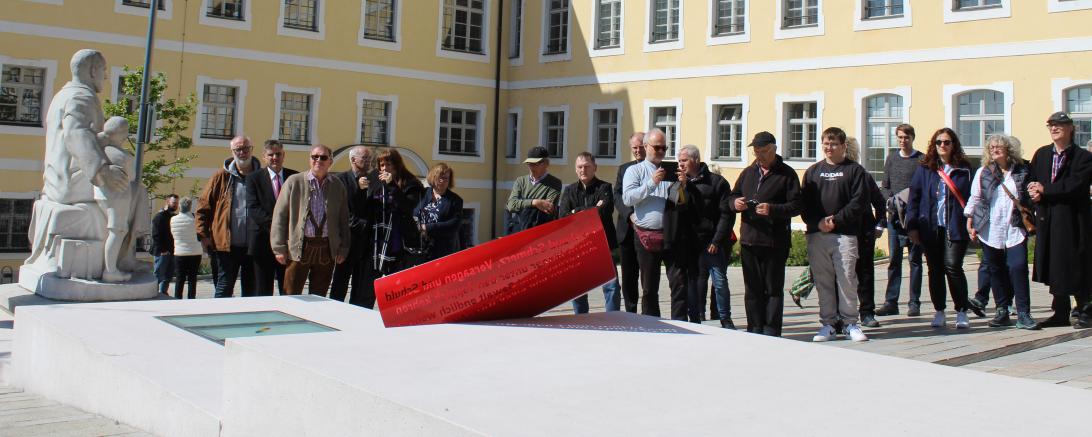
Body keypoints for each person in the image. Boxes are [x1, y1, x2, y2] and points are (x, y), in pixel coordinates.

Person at [729, 132, 801, 337]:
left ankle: (771, 329)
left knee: (772, 289)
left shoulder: (787, 174)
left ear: (774, 149)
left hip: (774, 241)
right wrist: (735, 203)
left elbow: (797, 206)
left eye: (763, 151)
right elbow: (732, 196)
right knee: (752, 289)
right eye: (756, 151)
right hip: (750, 239)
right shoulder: (748, 172)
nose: (759, 156)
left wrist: (773, 210)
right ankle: (754, 327)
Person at [802, 127, 870, 342]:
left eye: (833, 144)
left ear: (842, 146)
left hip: (845, 235)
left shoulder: (855, 171)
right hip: (818, 235)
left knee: (847, 280)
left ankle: (850, 323)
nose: (829, 148)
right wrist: (818, 222)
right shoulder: (813, 171)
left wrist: (836, 220)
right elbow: (805, 204)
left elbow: (858, 202)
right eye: (825, 143)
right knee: (823, 281)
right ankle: (828, 324)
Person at [964, 134, 1039, 330]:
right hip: (991, 228)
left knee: (1018, 266)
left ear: (1008, 149)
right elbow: (975, 197)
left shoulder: (1023, 170)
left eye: (998, 147)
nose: (994, 150)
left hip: (1014, 226)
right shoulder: (983, 172)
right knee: (995, 270)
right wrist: (970, 221)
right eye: (991, 147)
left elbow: (1029, 196)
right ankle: (1002, 310)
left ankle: (1023, 313)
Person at [622, 128, 698, 320]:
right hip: (645, 235)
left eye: (664, 148)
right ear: (646, 146)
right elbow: (627, 198)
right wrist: (651, 183)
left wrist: (682, 186)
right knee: (649, 286)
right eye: (657, 147)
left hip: (671, 234)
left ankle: (680, 322)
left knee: (679, 281)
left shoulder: (670, 170)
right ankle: (651, 323)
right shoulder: (635, 170)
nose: (661, 151)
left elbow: (678, 202)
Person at [1027, 112, 1092, 329]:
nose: (1054, 128)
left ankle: (1085, 309)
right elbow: (1031, 179)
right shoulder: (1043, 154)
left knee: (1075, 264)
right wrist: (1034, 192)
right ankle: (1060, 311)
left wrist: (1046, 190)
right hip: (1048, 218)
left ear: (1070, 128)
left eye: (1059, 125)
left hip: (1072, 219)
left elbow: (1076, 184)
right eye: (1051, 125)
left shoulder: (1083, 157)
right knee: (1054, 265)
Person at [906, 128, 974, 329]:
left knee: (953, 266)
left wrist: (973, 221)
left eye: (947, 142)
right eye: (939, 142)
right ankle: (939, 310)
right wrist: (912, 225)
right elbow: (914, 198)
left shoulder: (964, 168)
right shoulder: (925, 168)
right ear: (933, 145)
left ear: (954, 145)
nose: (942, 146)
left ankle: (961, 310)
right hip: (931, 227)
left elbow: (972, 197)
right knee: (935, 269)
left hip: (956, 226)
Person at [271, 145, 350, 296]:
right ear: (310, 159)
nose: (318, 160)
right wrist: (278, 247)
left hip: (326, 248)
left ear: (330, 161)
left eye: (323, 157)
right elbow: (280, 216)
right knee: (291, 295)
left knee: (319, 297)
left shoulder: (337, 185)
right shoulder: (294, 182)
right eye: (315, 157)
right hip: (300, 247)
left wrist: (343, 248)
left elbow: (343, 220)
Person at [196, 135, 260, 298]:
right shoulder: (220, 177)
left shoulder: (261, 176)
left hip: (254, 245)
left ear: (251, 150)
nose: (242, 152)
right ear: (232, 152)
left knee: (251, 289)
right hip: (225, 244)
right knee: (224, 286)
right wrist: (203, 235)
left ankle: (248, 321)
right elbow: (204, 206)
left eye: (246, 148)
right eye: (238, 149)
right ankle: (218, 319)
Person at [679, 145, 736, 328]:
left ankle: (725, 318)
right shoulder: (679, 182)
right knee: (693, 281)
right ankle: (695, 316)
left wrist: (717, 240)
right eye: (679, 161)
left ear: (695, 160)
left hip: (711, 241)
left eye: (684, 160)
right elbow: (676, 207)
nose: (681, 164)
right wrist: (681, 187)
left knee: (719, 280)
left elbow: (727, 214)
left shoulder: (717, 182)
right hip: (690, 242)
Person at [559, 152, 620, 314]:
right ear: (575, 169)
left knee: (611, 286)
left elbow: (605, 212)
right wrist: (593, 209)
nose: (583, 170)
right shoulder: (569, 190)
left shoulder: (605, 187)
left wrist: (576, 212)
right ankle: (581, 320)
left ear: (595, 168)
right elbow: (563, 216)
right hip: (579, 244)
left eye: (587, 166)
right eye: (580, 167)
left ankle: (613, 319)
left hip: (603, 243)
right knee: (578, 289)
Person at [878, 124, 924, 317]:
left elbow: (923, 187)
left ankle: (914, 303)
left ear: (912, 138)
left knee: (915, 261)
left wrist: (908, 200)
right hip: (894, 218)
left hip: (914, 219)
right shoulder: (891, 158)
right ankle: (891, 301)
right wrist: (891, 199)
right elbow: (885, 185)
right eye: (899, 137)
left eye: (906, 137)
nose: (903, 140)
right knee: (894, 261)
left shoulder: (921, 159)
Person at [245, 140, 297, 296]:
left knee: (288, 288)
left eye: (278, 154)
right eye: (271, 155)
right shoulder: (253, 178)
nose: (275, 157)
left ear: (284, 155)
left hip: (288, 242)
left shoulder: (294, 177)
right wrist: (277, 228)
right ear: (264, 157)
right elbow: (254, 208)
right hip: (262, 240)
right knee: (263, 289)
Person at [845, 137, 886, 329]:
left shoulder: (862, 174)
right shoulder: (828, 173)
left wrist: (879, 225)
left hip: (863, 231)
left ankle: (867, 312)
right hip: (841, 232)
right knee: (842, 275)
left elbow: (879, 202)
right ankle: (841, 314)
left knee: (865, 273)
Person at [368, 149, 425, 280]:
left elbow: (408, 207)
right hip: (380, 239)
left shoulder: (412, 183)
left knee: (398, 281)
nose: (385, 168)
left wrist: (392, 185)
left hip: (400, 240)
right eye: (382, 165)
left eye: (388, 164)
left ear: (397, 164)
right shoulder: (377, 182)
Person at [95, 116, 139, 283]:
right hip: (118, 198)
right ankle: (110, 270)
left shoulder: (101, 151)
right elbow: (132, 176)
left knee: (111, 232)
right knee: (117, 231)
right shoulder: (122, 155)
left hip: (102, 195)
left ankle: (109, 267)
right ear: (122, 134)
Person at [331, 146, 374, 304]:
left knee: (360, 285)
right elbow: (340, 210)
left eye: (370, 159)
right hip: (347, 241)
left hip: (366, 243)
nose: (368, 162)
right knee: (340, 284)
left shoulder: (373, 179)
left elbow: (375, 206)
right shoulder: (341, 179)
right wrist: (358, 189)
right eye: (365, 158)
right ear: (353, 160)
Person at [614, 132, 646, 313]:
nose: (637, 150)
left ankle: (648, 312)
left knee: (647, 275)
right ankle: (630, 311)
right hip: (627, 229)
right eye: (634, 147)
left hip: (648, 228)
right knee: (628, 276)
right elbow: (617, 195)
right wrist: (629, 215)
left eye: (640, 146)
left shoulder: (654, 168)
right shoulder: (624, 168)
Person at [413, 163, 465, 261]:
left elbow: (455, 224)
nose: (443, 181)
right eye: (440, 177)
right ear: (433, 177)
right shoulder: (422, 194)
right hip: (420, 249)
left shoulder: (455, 200)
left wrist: (427, 227)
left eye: (446, 178)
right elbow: (414, 214)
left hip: (442, 252)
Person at [506, 146, 562, 233]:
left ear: (546, 163)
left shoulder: (554, 183)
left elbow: (547, 208)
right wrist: (534, 202)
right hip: (519, 229)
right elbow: (511, 205)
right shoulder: (520, 181)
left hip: (540, 232)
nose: (531, 167)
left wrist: (523, 203)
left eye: (535, 164)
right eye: (529, 164)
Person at [170, 198, 202, 300]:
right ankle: (191, 298)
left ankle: (178, 298)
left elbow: (174, 234)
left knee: (180, 278)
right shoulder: (195, 218)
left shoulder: (173, 219)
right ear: (190, 206)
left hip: (180, 252)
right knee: (192, 278)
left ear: (180, 206)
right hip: (195, 252)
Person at [151, 194, 179, 294]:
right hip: (162, 252)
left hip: (172, 251)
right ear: (167, 202)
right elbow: (155, 235)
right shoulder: (159, 216)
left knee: (168, 275)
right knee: (158, 274)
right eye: (174, 203)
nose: (176, 205)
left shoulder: (174, 217)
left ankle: (163, 293)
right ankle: (152, 293)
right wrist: (163, 250)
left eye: (177, 203)